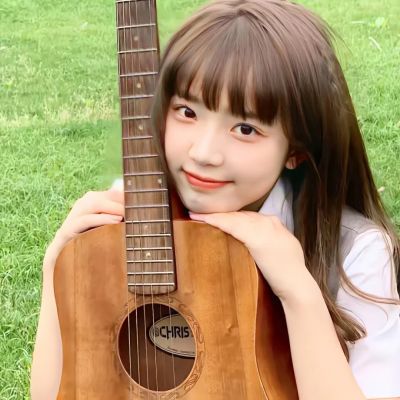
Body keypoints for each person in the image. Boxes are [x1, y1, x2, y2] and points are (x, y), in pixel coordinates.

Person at [30, 0, 400, 399]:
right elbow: (53, 394)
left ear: (296, 149)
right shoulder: (132, 219)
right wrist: (57, 267)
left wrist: (299, 291)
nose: (204, 153)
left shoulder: (356, 251)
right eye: (187, 112)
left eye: (245, 129)